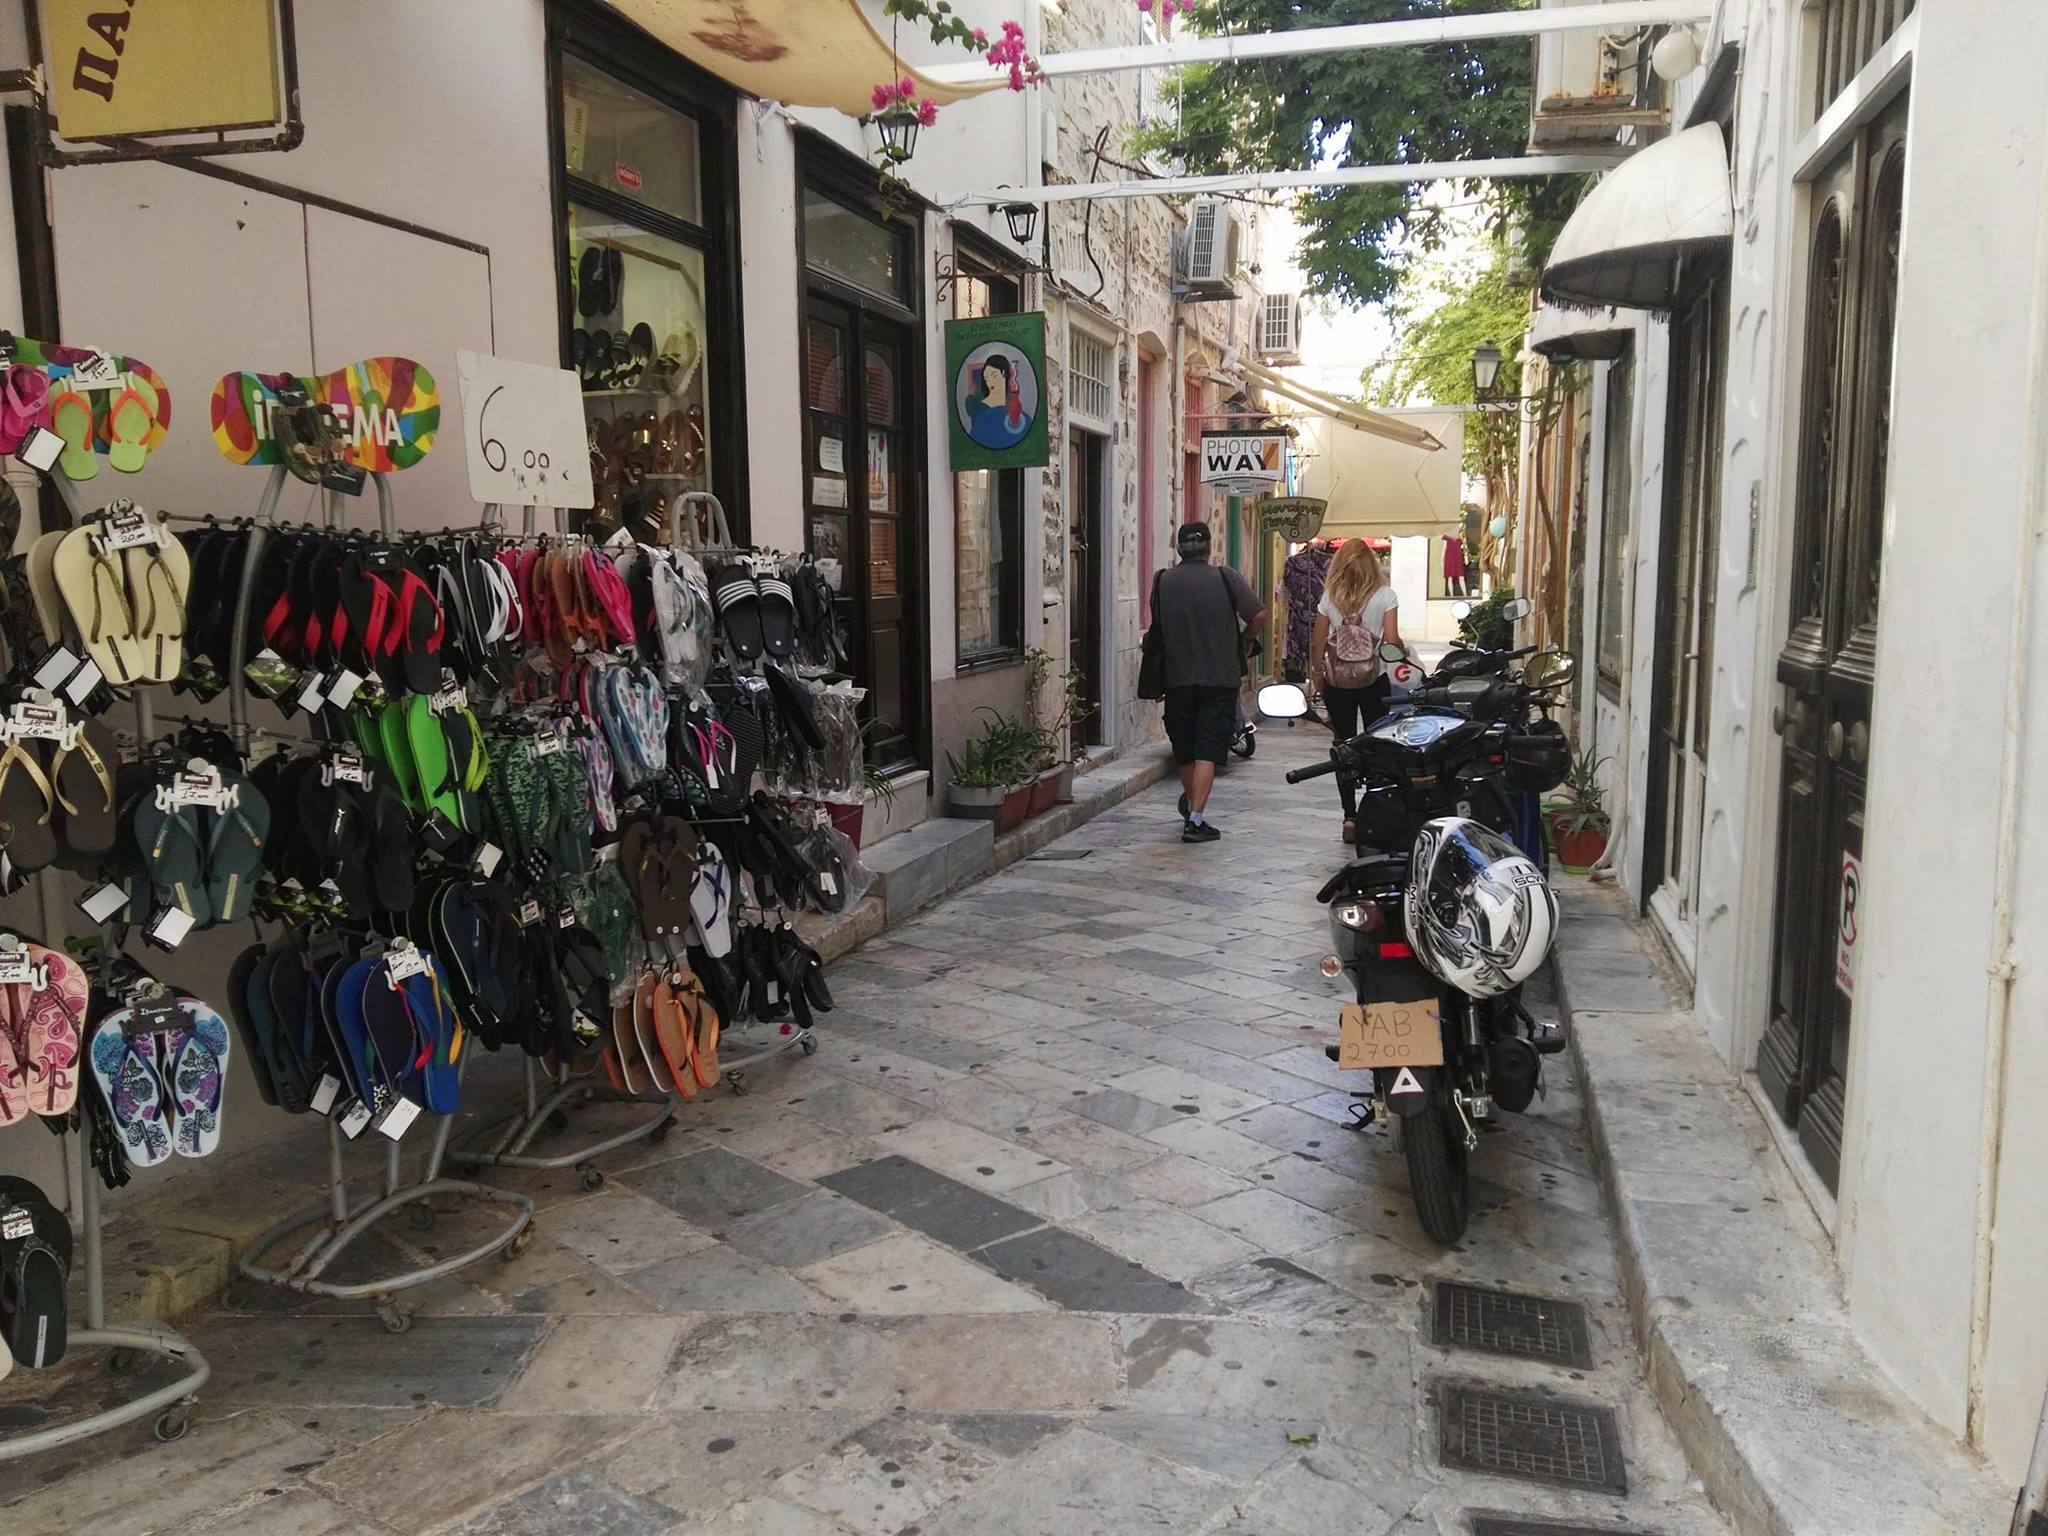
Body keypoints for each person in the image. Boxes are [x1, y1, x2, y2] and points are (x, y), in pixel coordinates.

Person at [1152, 520, 1266, 843]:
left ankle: (1193, 810)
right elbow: (1258, 615)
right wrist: (1246, 639)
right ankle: (1196, 818)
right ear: (1209, 547)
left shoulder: (1162, 581)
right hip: (1219, 678)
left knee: (1185, 749)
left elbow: (1159, 630)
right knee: (1207, 749)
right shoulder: (1225, 577)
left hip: (1177, 678)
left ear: (1179, 549)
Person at [1309, 538, 1402, 844]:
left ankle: (1349, 816)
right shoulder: (1386, 595)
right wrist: (1399, 649)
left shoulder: (1329, 597)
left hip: (1337, 682)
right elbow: (1392, 641)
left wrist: (1318, 673)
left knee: (1344, 745)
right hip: (1374, 680)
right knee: (1378, 744)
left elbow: (1318, 641)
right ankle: (1374, 809)